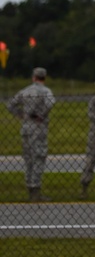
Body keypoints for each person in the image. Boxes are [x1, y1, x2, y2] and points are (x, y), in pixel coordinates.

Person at [7, 66, 55, 201]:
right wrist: (41, 114)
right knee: (39, 156)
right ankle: (36, 191)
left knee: (28, 158)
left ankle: (29, 187)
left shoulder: (25, 91)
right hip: (38, 127)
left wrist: (21, 115)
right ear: (44, 78)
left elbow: (11, 105)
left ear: (33, 77)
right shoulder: (45, 91)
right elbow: (51, 103)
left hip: (26, 126)